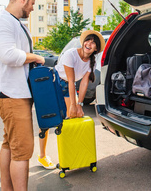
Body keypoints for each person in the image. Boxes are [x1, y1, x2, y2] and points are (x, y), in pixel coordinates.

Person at [0, 0, 45, 191]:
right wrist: (36, 57)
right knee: (23, 150)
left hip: (13, 93)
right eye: (33, 3)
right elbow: (8, 55)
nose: (33, 8)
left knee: (10, 144)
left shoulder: (13, 22)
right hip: (10, 94)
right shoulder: (2, 22)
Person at [37, 30, 105, 169]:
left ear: (96, 48)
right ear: (83, 42)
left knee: (72, 117)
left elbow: (84, 82)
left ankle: (71, 155)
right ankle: (42, 156)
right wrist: (74, 104)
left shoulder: (92, 60)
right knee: (47, 119)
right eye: (88, 40)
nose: (89, 44)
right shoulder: (71, 54)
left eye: (93, 43)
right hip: (55, 84)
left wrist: (79, 104)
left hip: (68, 86)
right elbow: (71, 81)